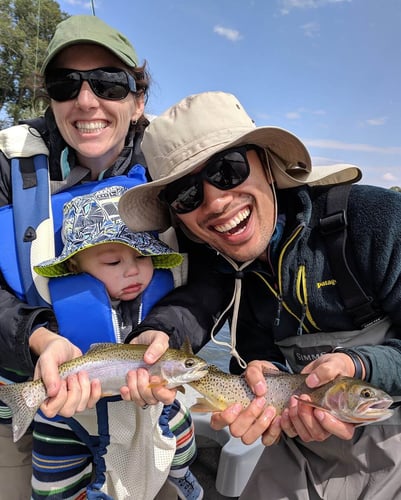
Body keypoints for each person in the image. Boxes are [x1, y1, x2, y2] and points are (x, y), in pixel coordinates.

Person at [117, 91, 401, 499]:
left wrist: (361, 366)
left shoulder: (378, 220)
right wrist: (261, 368)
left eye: (228, 170)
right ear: (178, 215)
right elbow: (221, 326)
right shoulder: (225, 268)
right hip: (302, 434)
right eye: (186, 194)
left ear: (266, 165)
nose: (215, 201)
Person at [0, 14, 174, 499]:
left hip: (145, 395)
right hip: (32, 384)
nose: (85, 100)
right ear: (50, 99)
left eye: (109, 82)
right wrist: (35, 336)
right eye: (65, 83)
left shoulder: (176, 162)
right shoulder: (6, 161)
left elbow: (220, 272)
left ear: (138, 100)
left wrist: (170, 329)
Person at [33, 185, 203, 499]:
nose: (132, 270)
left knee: (182, 429)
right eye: (113, 263)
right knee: (52, 480)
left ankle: (182, 474)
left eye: (142, 255)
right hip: (75, 412)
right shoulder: (55, 313)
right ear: (75, 267)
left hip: (150, 402)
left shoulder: (164, 302)